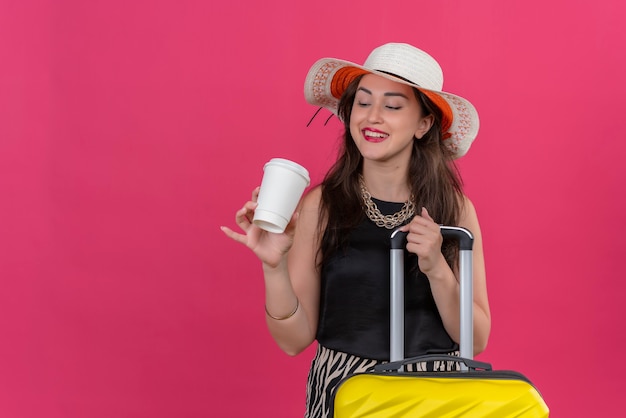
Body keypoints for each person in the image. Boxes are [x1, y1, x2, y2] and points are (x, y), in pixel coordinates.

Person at [221, 43, 491, 418]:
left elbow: (475, 341)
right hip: (344, 389)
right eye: (363, 103)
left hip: (434, 397)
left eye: (393, 106)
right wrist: (273, 265)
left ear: (423, 124)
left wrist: (437, 269)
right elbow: (293, 341)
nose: (372, 117)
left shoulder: (455, 211)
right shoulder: (322, 205)